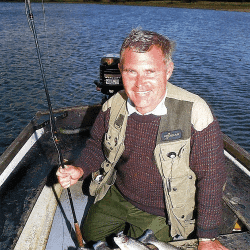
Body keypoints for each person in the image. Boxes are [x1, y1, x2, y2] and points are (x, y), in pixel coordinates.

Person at [57, 29, 229, 250]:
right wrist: (79, 169)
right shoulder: (113, 106)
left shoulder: (195, 112)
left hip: (163, 211)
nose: (139, 84)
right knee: (92, 237)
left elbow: (212, 177)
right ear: (120, 70)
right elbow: (97, 146)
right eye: (131, 72)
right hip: (118, 194)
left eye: (150, 72)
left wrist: (207, 237)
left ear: (168, 70)